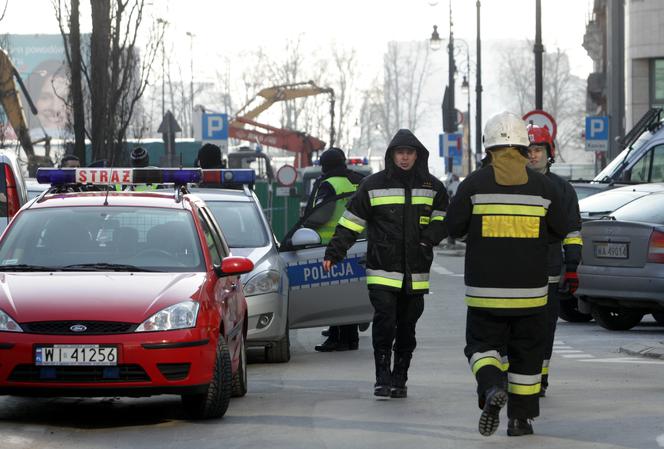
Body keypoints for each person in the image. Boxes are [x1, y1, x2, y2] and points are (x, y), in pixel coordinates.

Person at [446, 112, 567, 437]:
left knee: (482, 347)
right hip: (531, 294)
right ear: (525, 147)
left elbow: (454, 228)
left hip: (485, 294)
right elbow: (560, 229)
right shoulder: (543, 187)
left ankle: (490, 388)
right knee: (527, 356)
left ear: (489, 147)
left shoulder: (474, 184)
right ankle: (520, 421)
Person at [324, 129, 448, 399]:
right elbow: (351, 222)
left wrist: (428, 240)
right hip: (381, 268)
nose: (404, 158)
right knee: (384, 321)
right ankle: (382, 377)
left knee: (407, 326)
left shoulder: (433, 187)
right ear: (392, 155)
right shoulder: (372, 185)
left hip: (416, 271)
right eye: (399, 153)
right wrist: (334, 253)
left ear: (417, 155)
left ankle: (400, 378)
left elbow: (443, 220)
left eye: (409, 153)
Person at [526, 124, 582, 398]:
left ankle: (541, 378)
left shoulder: (563, 190)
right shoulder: (514, 186)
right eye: (529, 150)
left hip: (549, 272)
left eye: (538, 149)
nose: (533, 155)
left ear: (550, 152)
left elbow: (572, 232)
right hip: (518, 273)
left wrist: (571, 267)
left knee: (545, 328)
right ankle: (519, 376)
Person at [308, 147, 366, 353]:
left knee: (334, 294)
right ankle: (351, 338)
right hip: (360, 243)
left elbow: (320, 215)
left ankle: (336, 338)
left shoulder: (328, 185)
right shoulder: (358, 180)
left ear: (324, 166)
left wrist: (306, 225)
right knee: (348, 293)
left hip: (331, 245)